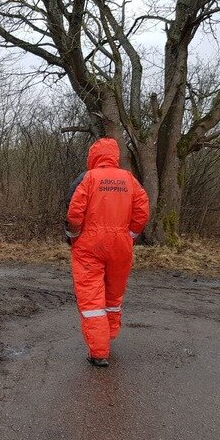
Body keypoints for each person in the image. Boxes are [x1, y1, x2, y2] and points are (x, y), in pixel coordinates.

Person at [66, 137, 149, 368]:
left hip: (89, 246)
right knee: (113, 296)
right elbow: (142, 212)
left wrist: (73, 237)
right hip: (121, 245)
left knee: (91, 298)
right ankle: (109, 335)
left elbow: (75, 214)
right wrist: (130, 236)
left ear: (93, 156)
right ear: (115, 156)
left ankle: (99, 351)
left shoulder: (89, 179)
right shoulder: (129, 179)